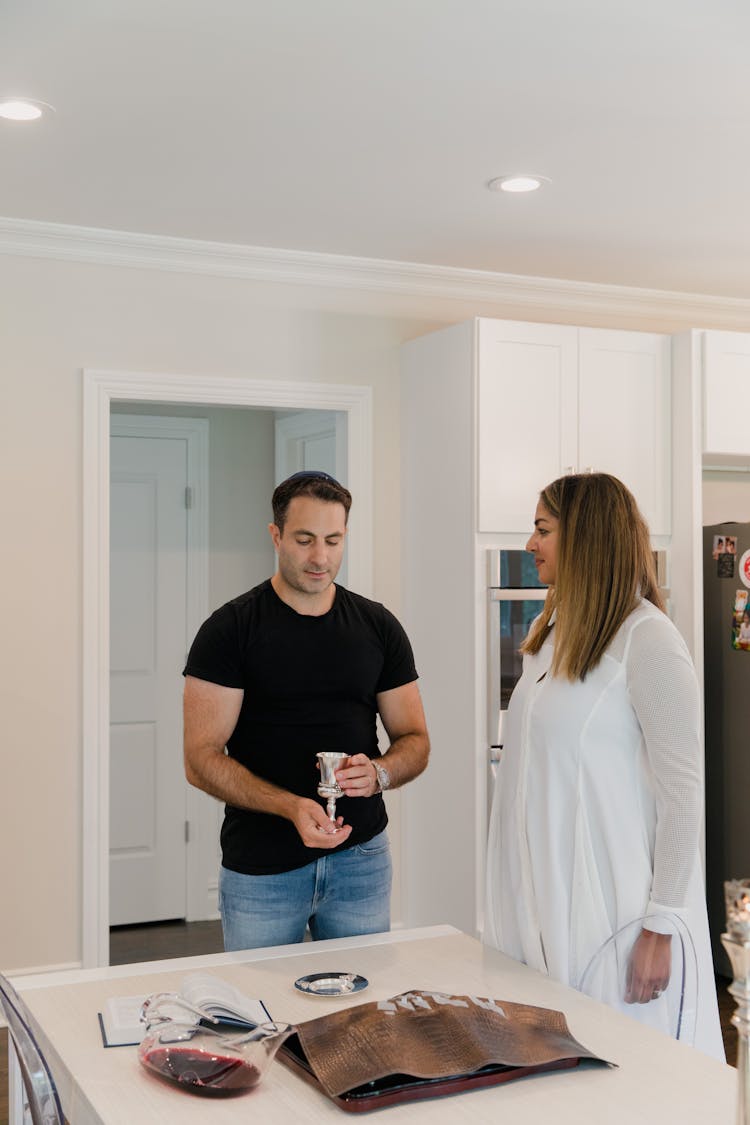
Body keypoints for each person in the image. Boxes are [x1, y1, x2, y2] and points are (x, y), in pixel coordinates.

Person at [484, 472, 723, 1059]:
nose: (529, 544)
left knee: (625, 1073)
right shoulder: (554, 635)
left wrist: (661, 927)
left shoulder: (650, 640)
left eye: (542, 530)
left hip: (614, 911)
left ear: (584, 537)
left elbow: (684, 795)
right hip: (539, 896)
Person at [183, 470, 430, 951]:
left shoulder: (379, 627)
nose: (321, 557)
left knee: (361, 1013)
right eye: (305, 539)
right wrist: (290, 806)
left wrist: (379, 773)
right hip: (261, 868)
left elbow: (415, 741)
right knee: (264, 1016)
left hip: (361, 860)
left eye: (333, 540)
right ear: (275, 536)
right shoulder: (229, 630)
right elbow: (200, 759)